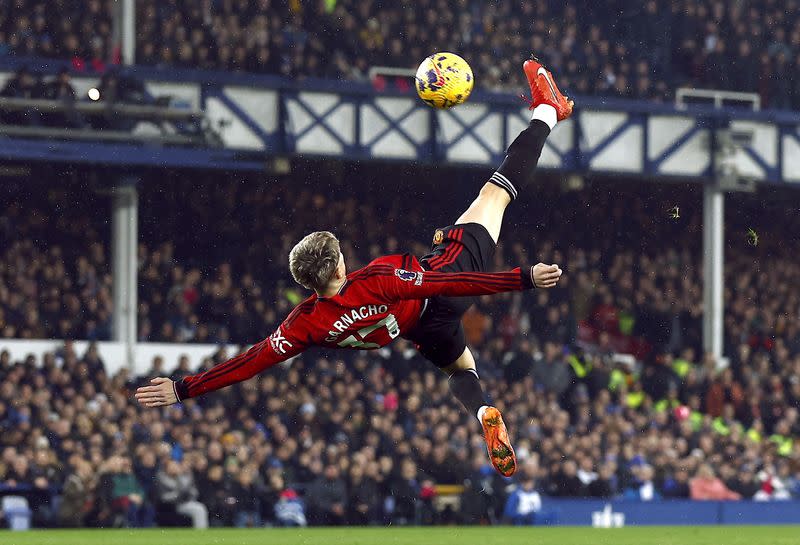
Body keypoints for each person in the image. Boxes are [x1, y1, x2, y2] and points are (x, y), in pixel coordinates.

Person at [136, 56, 574, 477]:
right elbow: (449, 280)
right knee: (493, 196)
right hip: (437, 292)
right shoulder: (377, 280)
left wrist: (183, 388)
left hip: (420, 331)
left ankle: (482, 409)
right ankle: (547, 112)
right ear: (340, 265)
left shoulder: (303, 324)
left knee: (461, 369)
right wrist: (523, 278)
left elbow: (249, 362)